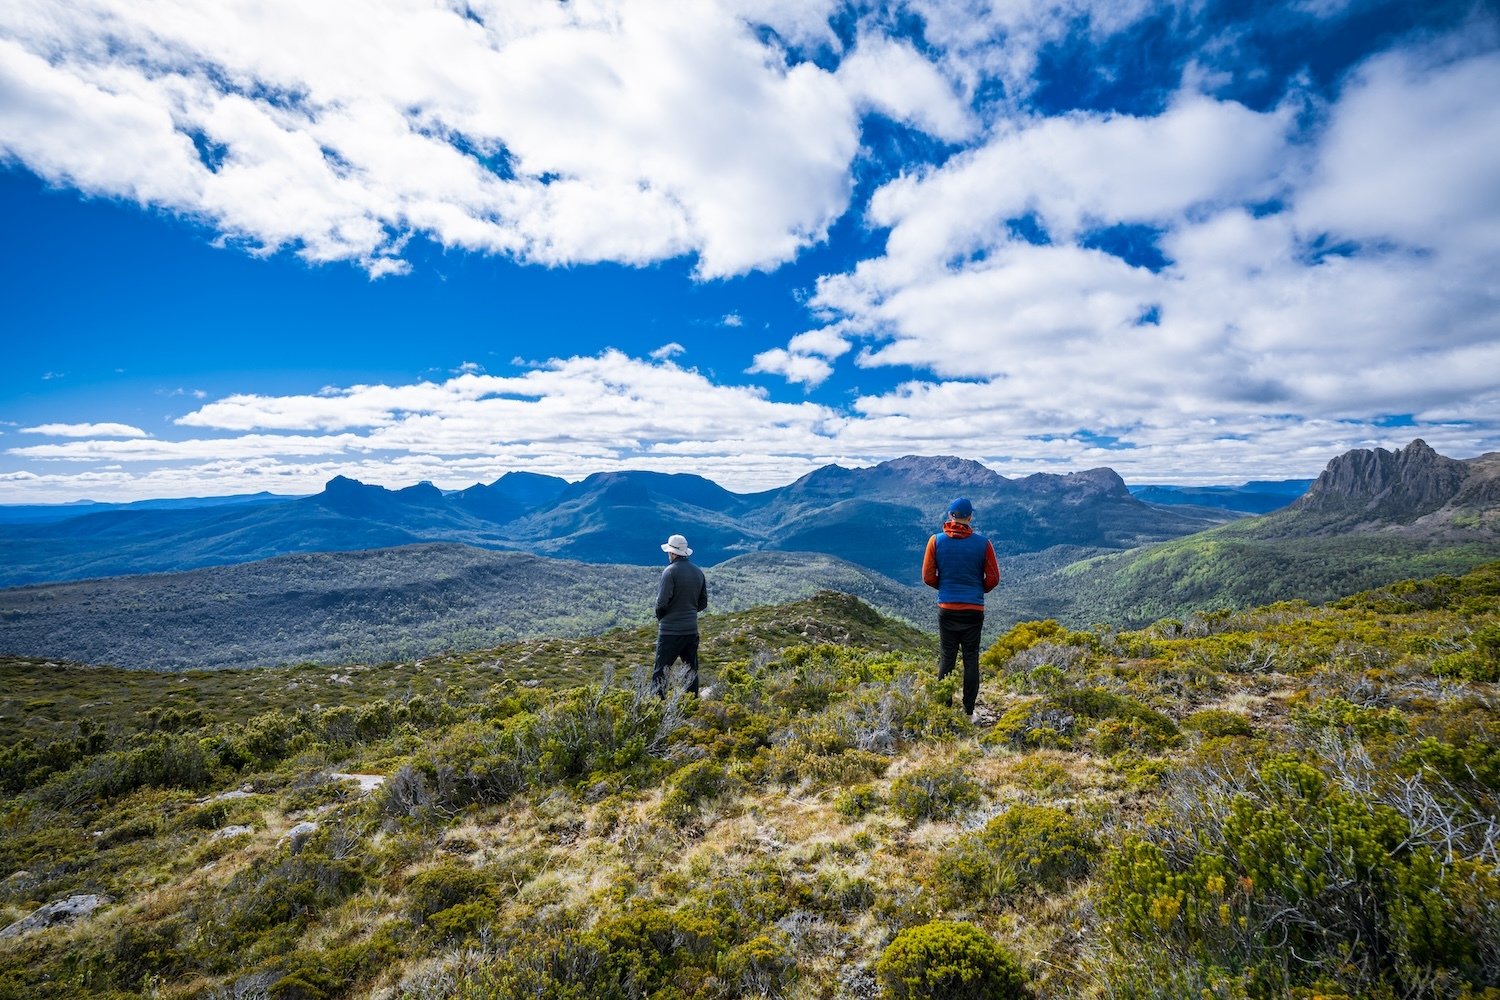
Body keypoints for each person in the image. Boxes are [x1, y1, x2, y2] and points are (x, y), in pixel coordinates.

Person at [922, 497, 1000, 717]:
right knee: (971, 658)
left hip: (947, 608)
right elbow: (993, 578)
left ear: (950, 516)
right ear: (970, 517)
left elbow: (928, 577)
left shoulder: (935, 541)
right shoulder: (983, 543)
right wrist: (976, 590)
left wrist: (945, 587)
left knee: (947, 657)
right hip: (973, 610)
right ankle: (968, 711)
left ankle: (943, 708)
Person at [652, 532, 708, 697]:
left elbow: (661, 603)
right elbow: (703, 602)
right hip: (691, 630)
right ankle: (691, 705)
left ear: (672, 552)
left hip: (670, 632)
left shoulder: (670, 572)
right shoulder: (698, 572)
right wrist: (689, 612)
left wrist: (662, 618)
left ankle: (656, 707)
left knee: (661, 672)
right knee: (691, 671)